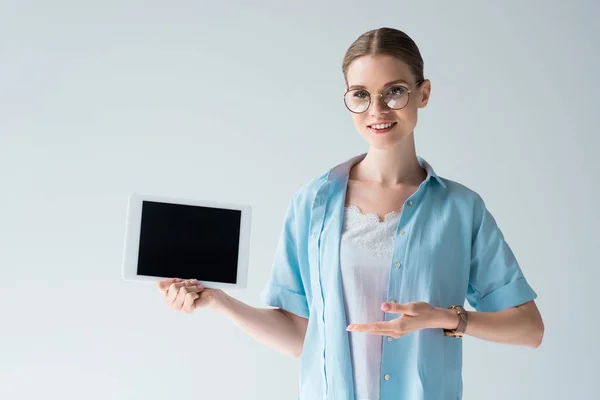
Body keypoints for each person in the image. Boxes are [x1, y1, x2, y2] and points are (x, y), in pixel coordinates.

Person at [156, 27, 544, 400]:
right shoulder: (312, 203)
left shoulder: (461, 209)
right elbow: (299, 336)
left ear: (423, 93)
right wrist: (218, 302)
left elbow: (529, 329)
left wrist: (446, 318)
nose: (377, 110)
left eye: (395, 92)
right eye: (361, 95)